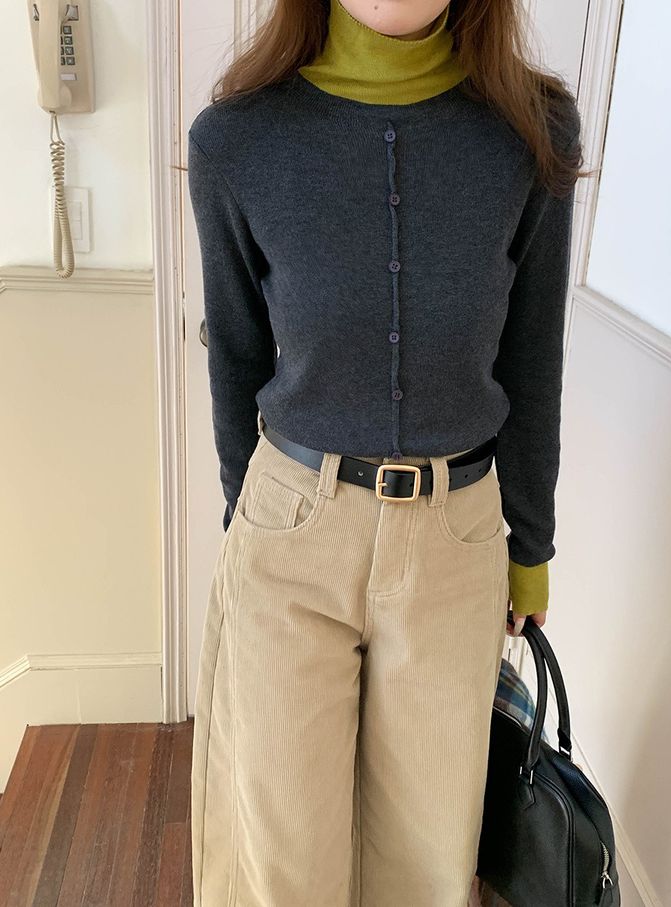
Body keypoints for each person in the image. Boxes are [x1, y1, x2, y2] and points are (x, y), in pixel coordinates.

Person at [186, 1, 583, 904]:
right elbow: (236, 357)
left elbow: (533, 355)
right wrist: (250, 528)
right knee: (283, 860)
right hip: (289, 536)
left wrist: (531, 550)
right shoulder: (238, 140)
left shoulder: (533, 132)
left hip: (458, 540)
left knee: (428, 863)